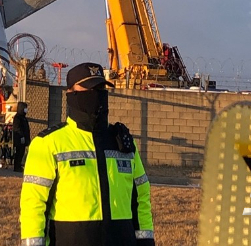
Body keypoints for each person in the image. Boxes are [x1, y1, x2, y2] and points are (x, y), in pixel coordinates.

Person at [20, 62, 154, 246]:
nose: (96, 94)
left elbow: (141, 196)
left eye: (100, 87)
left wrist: (146, 240)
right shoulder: (48, 143)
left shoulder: (122, 143)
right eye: (89, 87)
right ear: (70, 93)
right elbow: (33, 204)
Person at [12, 102, 31, 172]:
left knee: (21, 153)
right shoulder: (17, 118)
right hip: (19, 139)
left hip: (23, 139)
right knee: (19, 153)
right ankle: (17, 167)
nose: (26, 110)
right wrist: (21, 137)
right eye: (25, 108)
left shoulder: (23, 118)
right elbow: (17, 128)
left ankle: (19, 165)